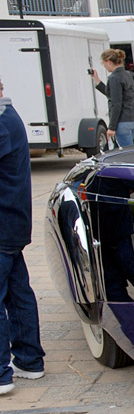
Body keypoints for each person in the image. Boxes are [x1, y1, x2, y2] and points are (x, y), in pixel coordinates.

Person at [0, 79, 46, 395]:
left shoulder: (2, 121)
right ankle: (30, 361)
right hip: (12, 222)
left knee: (14, 294)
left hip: (4, 224)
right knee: (17, 292)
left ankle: (2, 373)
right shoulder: (9, 116)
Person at [90, 48, 134, 148]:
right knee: (129, 149)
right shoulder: (128, 75)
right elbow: (114, 95)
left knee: (126, 153)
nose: (104, 66)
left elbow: (116, 103)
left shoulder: (114, 78)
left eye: (103, 63)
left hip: (123, 121)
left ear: (109, 62)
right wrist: (97, 81)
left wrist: (111, 127)